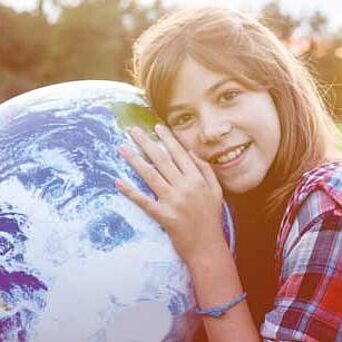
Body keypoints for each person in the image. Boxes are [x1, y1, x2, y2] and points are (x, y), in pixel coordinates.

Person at [114, 6, 342, 341]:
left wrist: (206, 249)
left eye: (228, 95)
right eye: (183, 118)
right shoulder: (217, 207)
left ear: (277, 90)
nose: (211, 130)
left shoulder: (327, 211)